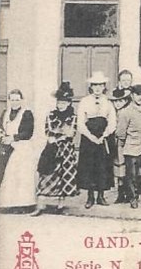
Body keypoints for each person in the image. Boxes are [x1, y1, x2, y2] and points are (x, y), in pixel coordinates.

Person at [35, 82, 78, 215]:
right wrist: (59, 134)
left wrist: (60, 133)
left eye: (64, 103)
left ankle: (61, 205)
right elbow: (48, 130)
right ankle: (41, 205)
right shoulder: (51, 115)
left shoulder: (73, 117)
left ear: (69, 103)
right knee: (46, 173)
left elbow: (71, 133)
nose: (61, 105)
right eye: (59, 102)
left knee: (64, 175)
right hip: (52, 148)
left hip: (66, 150)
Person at [76, 72, 116, 209]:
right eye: (95, 85)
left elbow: (112, 122)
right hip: (89, 139)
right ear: (91, 87)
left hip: (103, 138)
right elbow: (80, 123)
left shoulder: (108, 102)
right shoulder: (84, 101)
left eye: (100, 85)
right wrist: (91, 137)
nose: (98, 88)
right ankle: (90, 197)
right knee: (89, 167)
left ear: (104, 86)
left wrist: (105, 135)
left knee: (103, 166)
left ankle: (101, 196)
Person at [0, 89, 37, 213]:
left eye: (17, 100)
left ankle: (24, 205)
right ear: (9, 101)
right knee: (7, 175)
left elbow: (28, 132)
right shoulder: (5, 113)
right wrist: (2, 136)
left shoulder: (27, 114)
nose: (14, 102)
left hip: (22, 148)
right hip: (7, 146)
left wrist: (13, 137)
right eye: (12, 100)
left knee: (21, 176)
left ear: (21, 100)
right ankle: (9, 205)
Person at [109, 87, 132, 203]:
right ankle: (120, 193)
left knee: (125, 168)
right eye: (116, 101)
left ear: (125, 101)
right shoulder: (112, 113)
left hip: (125, 143)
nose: (118, 104)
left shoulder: (126, 113)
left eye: (120, 101)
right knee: (118, 168)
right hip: (115, 143)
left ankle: (128, 193)